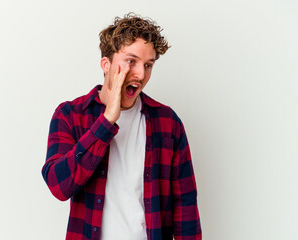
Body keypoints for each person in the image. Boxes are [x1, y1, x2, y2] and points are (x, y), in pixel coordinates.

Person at [42, 13, 202, 240]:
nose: (140, 74)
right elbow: (59, 186)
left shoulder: (168, 123)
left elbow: (185, 205)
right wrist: (106, 121)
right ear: (106, 64)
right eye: (131, 61)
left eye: (148, 65)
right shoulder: (70, 115)